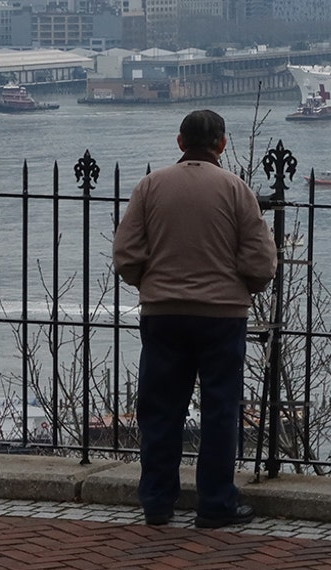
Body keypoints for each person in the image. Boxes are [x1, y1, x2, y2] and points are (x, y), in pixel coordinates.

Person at [113, 109, 278, 529]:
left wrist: (150, 284)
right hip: (221, 316)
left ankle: (157, 501)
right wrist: (243, 288)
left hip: (163, 313)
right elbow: (261, 261)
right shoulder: (236, 190)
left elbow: (126, 253)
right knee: (221, 409)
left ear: (180, 142)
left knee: (160, 410)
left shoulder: (150, 186)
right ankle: (216, 503)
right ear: (222, 144)